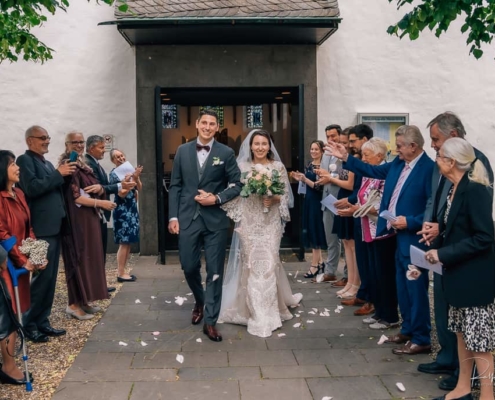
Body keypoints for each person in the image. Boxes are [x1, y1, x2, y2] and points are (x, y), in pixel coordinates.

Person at [327, 125, 434, 355]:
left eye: (400, 146)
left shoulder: (428, 169)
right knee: (402, 286)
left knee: (415, 288)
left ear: (413, 146)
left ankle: (421, 337)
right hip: (395, 233)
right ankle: (407, 329)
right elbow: (373, 172)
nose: (396, 150)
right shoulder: (398, 163)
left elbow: (431, 207)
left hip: (413, 237)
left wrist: (412, 221)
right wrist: (346, 157)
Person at [417, 112, 494, 392]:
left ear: (451, 161)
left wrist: (444, 254)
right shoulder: (455, 189)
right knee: (462, 335)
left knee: (480, 341)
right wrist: (432, 252)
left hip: (474, 276)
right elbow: (453, 227)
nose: (434, 157)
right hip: (458, 273)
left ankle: (486, 394)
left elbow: (485, 236)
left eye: (439, 154)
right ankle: (461, 389)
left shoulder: (474, 188)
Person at [219, 129, 303, 337]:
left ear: (269, 146)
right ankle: (254, 312)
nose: (260, 147)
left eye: (264, 144)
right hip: (250, 221)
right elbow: (236, 192)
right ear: (250, 146)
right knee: (252, 264)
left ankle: (268, 312)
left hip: (270, 222)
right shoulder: (241, 167)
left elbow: (285, 195)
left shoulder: (278, 167)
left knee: (268, 261)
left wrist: (274, 198)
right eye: (256, 144)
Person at [168, 109, 242, 342]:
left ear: (217, 128)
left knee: (215, 271)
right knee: (189, 266)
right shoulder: (182, 151)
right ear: (197, 125)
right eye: (204, 123)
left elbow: (237, 184)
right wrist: (173, 217)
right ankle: (200, 300)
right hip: (188, 218)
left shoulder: (226, 152)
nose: (208, 127)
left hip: (215, 221)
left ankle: (210, 320)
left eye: (212, 124)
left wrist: (216, 198)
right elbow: (176, 186)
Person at [17, 125, 75, 343]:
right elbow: (32, 188)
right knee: (41, 279)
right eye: (42, 138)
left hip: (55, 226)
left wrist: (66, 175)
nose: (47, 141)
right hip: (40, 229)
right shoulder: (25, 161)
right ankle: (29, 324)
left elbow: (54, 188)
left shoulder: (48, 163)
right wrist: (58, 174)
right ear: (30, 141)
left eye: (48, 137)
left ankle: (43, 321)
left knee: (50, 279)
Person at [0, 150, 45, 385]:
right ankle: (8, 366)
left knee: (18, 311)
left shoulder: (19, 193)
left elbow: (28, 228)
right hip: (5, 264)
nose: (17, 167)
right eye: (12, 164)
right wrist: (21, 260)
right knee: (9, 315)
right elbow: (2, 234)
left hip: (22, 262)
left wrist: (36, 256)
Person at [59, 132, 115, 320]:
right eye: (74, 142)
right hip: (77, 221)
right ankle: (73, 305)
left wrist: (99, 190)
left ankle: (84, 300)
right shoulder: (69, 164)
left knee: (89, 259)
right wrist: (101, 204)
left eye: (81, 142)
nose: (79, 145)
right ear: (66, 144)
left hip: (88, 218)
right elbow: (75, 197)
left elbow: (91, 188)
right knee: (79, 258)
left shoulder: (81, 162)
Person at [356, 138, 399, 330]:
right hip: (368, 228)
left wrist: (360, 208)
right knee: (373, 272)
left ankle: (389, 315)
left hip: (381, 231)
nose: (363, 159)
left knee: (383, 273)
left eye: (366, 155)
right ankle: (378, 311)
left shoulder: (384, 172)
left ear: (379, 156)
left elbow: (382, 203)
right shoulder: (369, 172)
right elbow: (363, 195)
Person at [84, 135, 136, 292]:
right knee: (97, 251)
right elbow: (100, 187)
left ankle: (99, 284)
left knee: (100, 251)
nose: (103, 151)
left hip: (102, 211)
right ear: (91, 148)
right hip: (97, 209)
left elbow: (104, 186)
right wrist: (122, 185)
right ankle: (96, 285)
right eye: (101, 147)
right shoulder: (88, 164)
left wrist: (126, 183)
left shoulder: (96, 164)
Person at [292, 140, 327, 278]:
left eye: (316, 149)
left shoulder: (322, 166)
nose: (313, 151)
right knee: (311, 228)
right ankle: (320, 262)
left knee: (315, 230)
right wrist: (300, 178)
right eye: (311, 149)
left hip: (318, 201)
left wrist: (305, 179)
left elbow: (320, 187)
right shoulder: (309, 165)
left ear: (322, 151)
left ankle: (314, 265)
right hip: (309, 199)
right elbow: (306, 182)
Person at [108, 148, 143, 282]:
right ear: (113, 160)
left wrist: (136, 176)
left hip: (131, 209)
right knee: (123, 242)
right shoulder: (114, 175)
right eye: (117, 157)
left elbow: (139, 188)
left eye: (121, 155)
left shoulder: (128, 170)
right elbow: (120, 194)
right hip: (122, 211)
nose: (120, 158)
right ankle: (120, 273)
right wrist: (127, 182)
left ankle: (124, 270)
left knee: (128, 242)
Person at [318, 124, 343, 284]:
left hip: (341, 198)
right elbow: (322, 172)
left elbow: (345, 174)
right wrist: (322, 175)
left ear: (340, 135)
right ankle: (330, 270)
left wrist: (330, 175)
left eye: (333, 136)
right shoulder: (326, 153)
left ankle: (347, 274)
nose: (330, 139)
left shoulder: (343, 154)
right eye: (328, 136)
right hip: (327, 199)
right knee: (330, 238)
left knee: (346, 239)